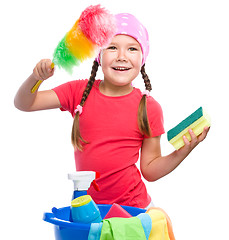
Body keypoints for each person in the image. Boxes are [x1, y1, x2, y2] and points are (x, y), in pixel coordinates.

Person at [14, 13, 210, 209]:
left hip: (133, 209)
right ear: (100, 56)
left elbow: (150, 170)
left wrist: (182, 152)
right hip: (88, 209)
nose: (122, 56)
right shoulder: (78, 91)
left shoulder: (149, 107)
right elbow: (24, 103)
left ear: (142, 58)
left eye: (132, 49)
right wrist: (36, 78)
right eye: (112, 47)